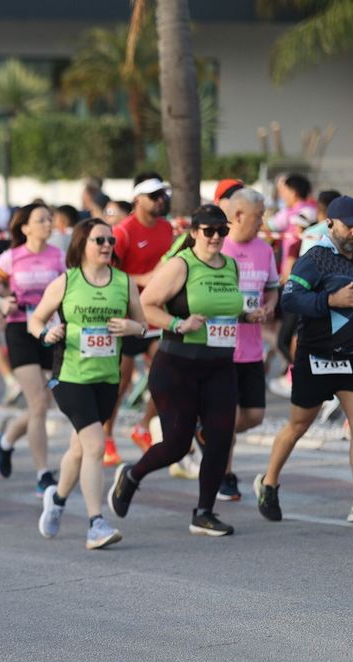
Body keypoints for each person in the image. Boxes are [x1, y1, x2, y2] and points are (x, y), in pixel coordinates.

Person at [108, 204, 248, 536]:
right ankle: (132, 475)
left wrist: (245, 316)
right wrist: (178, 323)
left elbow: (226, 309)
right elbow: (147, 305)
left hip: (219, 365)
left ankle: (204, 512)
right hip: (178, 366)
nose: (216, 237)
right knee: (177, 444)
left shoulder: (230, 266)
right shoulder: (181, 265)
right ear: (195, 232)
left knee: (220, 439)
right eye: (209, 231)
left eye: (222, 231)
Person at [255, 195, 353, 524]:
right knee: (298, 425)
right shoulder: (316, 258)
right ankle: (268, 482)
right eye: (348, 226)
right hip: (317, 356)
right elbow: (291, 298)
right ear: (330, 224)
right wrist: (330, 299)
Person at [29, 219, 145, 549]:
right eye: (99, 240)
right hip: (70, 376)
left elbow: (143, 323)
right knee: (95, 444)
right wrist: (45, 333)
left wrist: (130, 327)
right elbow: (35, 319)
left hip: (107, 378)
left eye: (110, 240)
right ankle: (96, 524)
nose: (107, 245)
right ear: (82, 245)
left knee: (80, 448)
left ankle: (58, 499)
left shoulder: (124, 283)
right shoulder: (66, 282)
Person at [0, 202, 65, 495]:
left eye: (49, 219)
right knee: (39, 403)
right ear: (25, 227)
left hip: (51, 330)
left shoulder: (59, 256)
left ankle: (4, 442)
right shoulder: (11, 257)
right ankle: (43, 474)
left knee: (42, 404)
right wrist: (0, 302)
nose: (47, 223)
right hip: (20, 330)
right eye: (40, 219)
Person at [110, 174, 177, 464]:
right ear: (138, 199)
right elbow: (107, 273)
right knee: (120, 383)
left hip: (155, 315)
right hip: (126, 317)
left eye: (162, 194)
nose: (160, 200)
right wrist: (142, 279)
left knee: (167, 375)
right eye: (154, 195)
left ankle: (142, 426)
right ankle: (106, 437)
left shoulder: (167, 229)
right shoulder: (123, 232)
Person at [219, 187, 278, 502]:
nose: (263, 220)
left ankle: (211, 435)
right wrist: (238, 313)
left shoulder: (264, 250)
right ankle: (225, 475)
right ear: (239, 215)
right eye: (259, 215)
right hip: (223, 347)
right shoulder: (218, 249)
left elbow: (272, 289)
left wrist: (269, 306)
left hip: (252, 349)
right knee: (227, 413)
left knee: (254, 414)